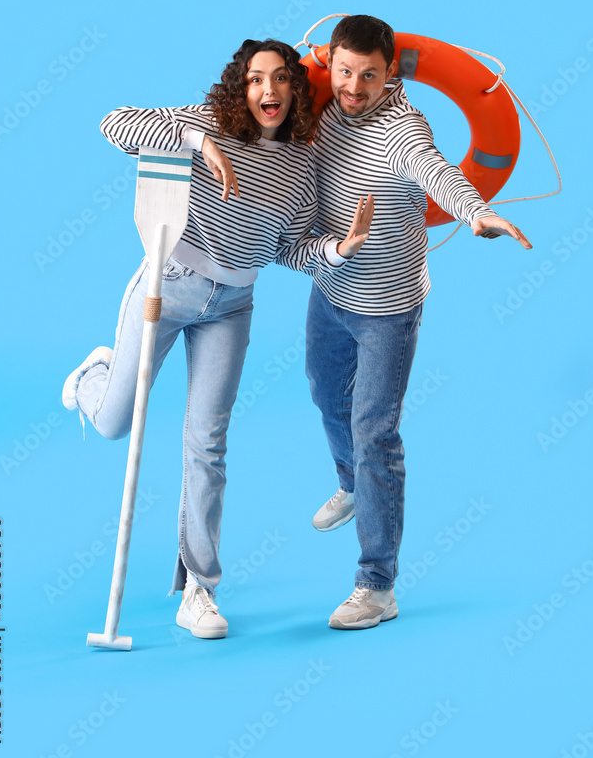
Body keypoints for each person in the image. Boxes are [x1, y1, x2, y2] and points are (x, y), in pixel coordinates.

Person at [61, 37, 373, 640]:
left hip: (233, 305)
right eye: (257, 79)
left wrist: (340, 248)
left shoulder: (300, 164)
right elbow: (113, 124)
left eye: (282, 79)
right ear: (241, 85)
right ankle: (92, 377)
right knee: (114, 422)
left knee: (207, 442)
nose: (269, 92)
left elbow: (289, 248)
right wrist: (198, 140)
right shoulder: (205, 122)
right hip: (169, 281)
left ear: (296, 89)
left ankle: (198, 590)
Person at [303, 15, 532, 630]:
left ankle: (376, 584)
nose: (353, 86)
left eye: (368, 75)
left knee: (375, 432)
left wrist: (477, 214)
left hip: (387, 308)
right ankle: (352, 485)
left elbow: (438, 171)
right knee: (327, 399)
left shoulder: (404, 130)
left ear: (391, 73)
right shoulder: (323, 109)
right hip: (330, 285)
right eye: (345, 72)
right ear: (332, 64)